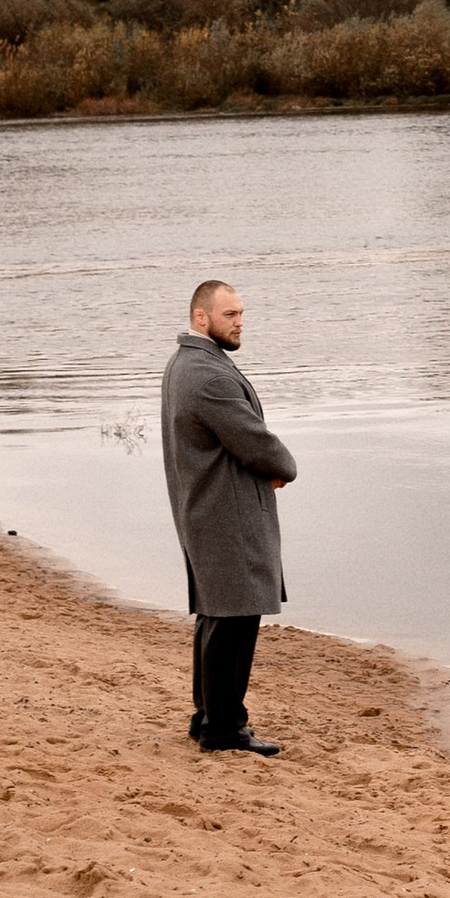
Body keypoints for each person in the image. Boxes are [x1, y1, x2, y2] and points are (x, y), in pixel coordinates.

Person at [160, 277, 297, 758]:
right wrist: (283, 469)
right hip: (225, 512)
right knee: (234, 619)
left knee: (218, 617)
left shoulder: (187, 363)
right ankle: (224, 728)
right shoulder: (209, 375)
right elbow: (255, 440)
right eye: (230, 315)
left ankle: (208, 718)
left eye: (241, 313)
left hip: (209, 506)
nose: (240, 322)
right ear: (202, 317)